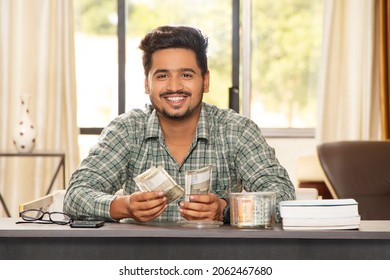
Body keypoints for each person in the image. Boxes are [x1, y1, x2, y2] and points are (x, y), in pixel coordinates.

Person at [63, 25, 296, 223]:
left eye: (186, 75)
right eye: (162, 76)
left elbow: (284, 198)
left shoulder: (237, 130)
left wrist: (225, 209)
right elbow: (75, 196)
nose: (174, 87)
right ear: (147, 83)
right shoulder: (126, 130)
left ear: (205, 81)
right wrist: (123, 206)